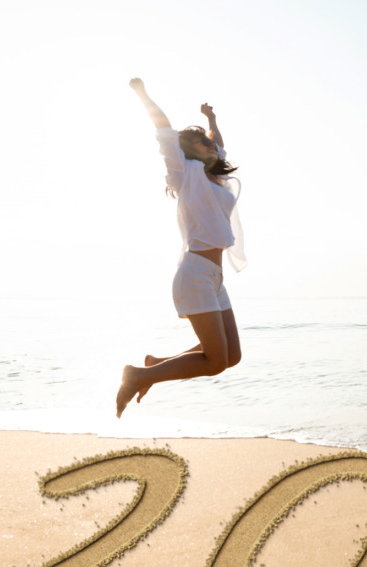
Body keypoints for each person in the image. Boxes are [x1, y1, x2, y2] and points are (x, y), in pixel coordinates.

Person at [116, 77, 246, 417]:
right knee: (215, 361)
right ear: (188, 152)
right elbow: (164, 129)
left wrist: (211, 121)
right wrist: (142, 94)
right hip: (195, 274)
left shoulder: (214, 175)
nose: (209, 144)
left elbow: (219, 143)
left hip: (214, 277)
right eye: (201, 142)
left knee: (231, 356)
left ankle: (154, 365)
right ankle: (139, 375)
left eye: (208, 141)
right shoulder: (183, 172)